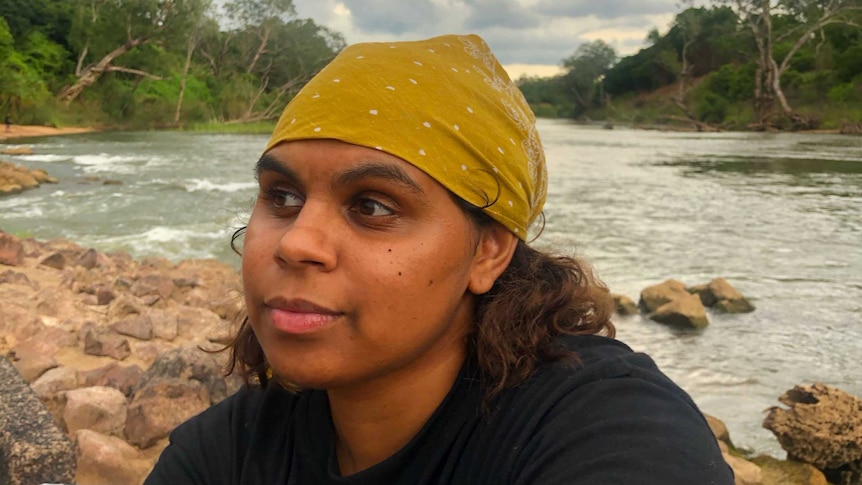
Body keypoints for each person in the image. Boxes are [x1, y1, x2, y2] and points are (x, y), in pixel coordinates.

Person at [145, 34, 734, 484]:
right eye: (283, 197)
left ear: (489, 252)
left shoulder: (607, 428)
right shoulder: (227, 454)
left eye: (372, 206)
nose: (296, 242)